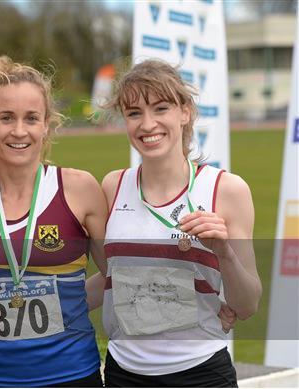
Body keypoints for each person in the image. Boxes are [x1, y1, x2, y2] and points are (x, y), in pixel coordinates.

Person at [0, 56, 108, 387]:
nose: (19, 131)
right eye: (6, 118)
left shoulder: (79, 189)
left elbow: (119, 274)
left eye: (31, 118)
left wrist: (69, 298)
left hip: (75, 376)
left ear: (46, 124)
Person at [101, 59, 262, 387]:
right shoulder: (111, 186)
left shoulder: (227, 190)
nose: (148, 124)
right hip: (123, 373)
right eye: (134, 113)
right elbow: (110, 277)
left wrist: (225, 255)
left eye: (160, 108)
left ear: (185, 112)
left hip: (201, 373)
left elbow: (247, 304)